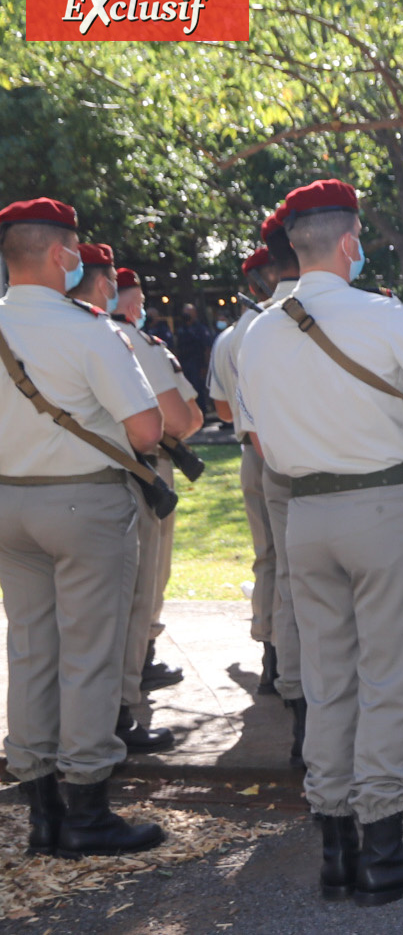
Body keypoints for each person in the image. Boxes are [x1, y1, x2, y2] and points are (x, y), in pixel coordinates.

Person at [238, 178, 403, 905]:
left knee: (327, 677)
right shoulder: (380, 314)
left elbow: (254, 431)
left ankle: (335, 846)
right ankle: (384, 843)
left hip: (305, 515)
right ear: (349, 242)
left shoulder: (256, 330)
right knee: (386, 675)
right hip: (378, 505)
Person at [0, 197, 167, 858]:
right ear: (60, 255)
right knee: (90, 653)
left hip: (10, 501)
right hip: (82, 502)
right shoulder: (89, 329)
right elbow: (147, 429)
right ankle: (88, 806)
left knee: (31, 649)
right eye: (76, 249)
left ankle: (41, 808)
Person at [67, 259, 204, 754]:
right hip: (131, 477)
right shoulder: (113, 339)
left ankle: (47, 753)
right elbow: (171, 423)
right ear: (107, 289)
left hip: (43, 489)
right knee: (135, 594)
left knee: (49, 627)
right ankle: (121, 710)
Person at [252, 206, 311, 763]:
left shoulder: (254, 329)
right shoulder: (360, 313)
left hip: (277, 468)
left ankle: (301, 720)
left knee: (292, 585)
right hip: (339, 479)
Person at [211, 246, 281, 697]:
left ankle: (272, 656)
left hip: (252, 456)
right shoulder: (290, 323)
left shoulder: (232, 336)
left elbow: (220, 407)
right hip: (294, 451)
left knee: (268, 557)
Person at [171, 301, 214, 416]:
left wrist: (205, 366)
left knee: (198, 390)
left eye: (189, 313)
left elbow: (207, 348)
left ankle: (202, 414)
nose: (186, 315)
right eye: (185, 313)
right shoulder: (180, 329)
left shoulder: (200, 329)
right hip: (184, 364)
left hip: (198, 364)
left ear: (194, 314)